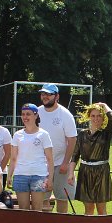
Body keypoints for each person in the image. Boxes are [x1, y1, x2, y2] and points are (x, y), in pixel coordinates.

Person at [38, 83, 77, 212]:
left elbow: (72, 140)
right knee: (42, 198)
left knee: (62, 198)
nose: (45, 96)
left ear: (57, 96)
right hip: (41, 164)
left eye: (49, 94)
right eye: (43, 94)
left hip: (61, 164)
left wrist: (65, 163)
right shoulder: (36, 112)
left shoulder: (65, 114)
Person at [7, 103, 54, 211]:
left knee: (37, 209)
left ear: (36, 115)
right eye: (23, 114)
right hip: (20, 175)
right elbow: (13, 158)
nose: (25, 117)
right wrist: (9, 175)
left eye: (28, 114)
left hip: (39, 175)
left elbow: (50, 159)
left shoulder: (44, 134)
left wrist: (50, 179)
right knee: (23, 209)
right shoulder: (17, 135)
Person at [72, 102, 112, 215]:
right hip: (85, 171)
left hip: (101, 171)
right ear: (89, 117)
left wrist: (104, 105)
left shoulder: (105, 133)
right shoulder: (82, 134)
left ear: (103, 117)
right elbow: (75, 155)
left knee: (101, 208)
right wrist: (70, 173)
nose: (96, 118)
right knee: (88, 208)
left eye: (99, 116)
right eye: (93, 116)